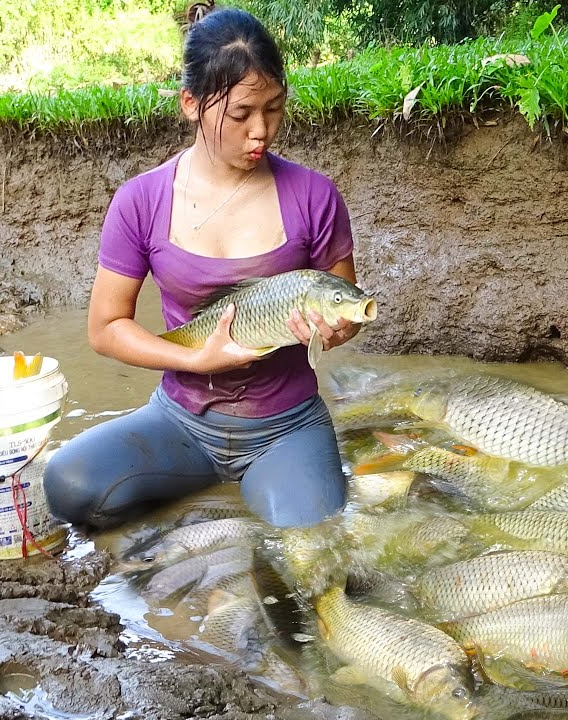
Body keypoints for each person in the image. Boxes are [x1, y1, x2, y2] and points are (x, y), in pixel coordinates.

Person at [43, 6, 359, 531]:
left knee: (310, 543)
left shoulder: (314, 195)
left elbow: (342, 308)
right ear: (191, 104)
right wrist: (197, 361)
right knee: (71, 486)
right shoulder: (140, 201)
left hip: (285, 426)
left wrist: (337, 328)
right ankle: (197, 516)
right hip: (181, 422)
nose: (261, 131)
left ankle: (253, 494)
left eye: (275, 108)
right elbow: (105, 330)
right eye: (240, 114)